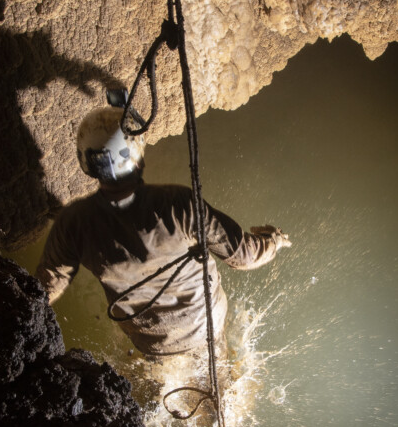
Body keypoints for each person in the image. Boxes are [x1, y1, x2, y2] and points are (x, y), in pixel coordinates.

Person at [36, 106, 291, 357]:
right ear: (138, 156)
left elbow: (45, 290)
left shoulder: (73, 223)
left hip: (151, 342)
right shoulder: (177, 204)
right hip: (204, 327)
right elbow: (243, 256)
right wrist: (273, 241)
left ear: (86, 162)